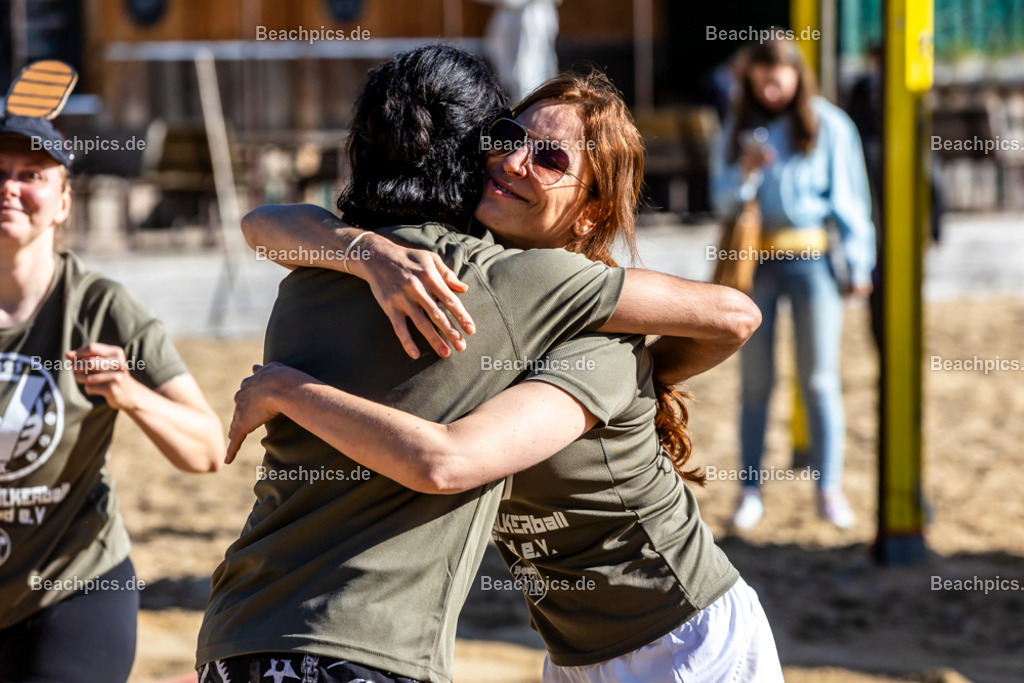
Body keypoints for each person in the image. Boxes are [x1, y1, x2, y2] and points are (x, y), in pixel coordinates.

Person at [198, 48, 759, 683]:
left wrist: (640, 378)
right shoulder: (462, 279)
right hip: (572, 651)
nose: (515, 161)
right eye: (508, 137)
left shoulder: (577, 315)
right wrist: (369, 252)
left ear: (594, 210)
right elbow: (263, 225)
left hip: (682, 636)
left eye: (550, 160)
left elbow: (734, 315)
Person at [0, 68, 224, 683]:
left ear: (63, 202)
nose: (10, 187)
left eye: (31, 175)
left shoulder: (100, 308)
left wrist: (129, 394)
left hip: (72, 585)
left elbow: (207, 450)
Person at [710, 38, 876, 530]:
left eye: (777, 80)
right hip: (755, 262)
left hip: (812, 260)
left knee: (820, 379)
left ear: (798, 77)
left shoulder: (829, 124)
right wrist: (744, 174)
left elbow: (851, 200)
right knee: (755, 381)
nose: (769, 90)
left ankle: (829, 488)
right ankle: (749, 489)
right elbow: (721, 200)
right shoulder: (739, 123)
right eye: (760, 81)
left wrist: (859, 264)